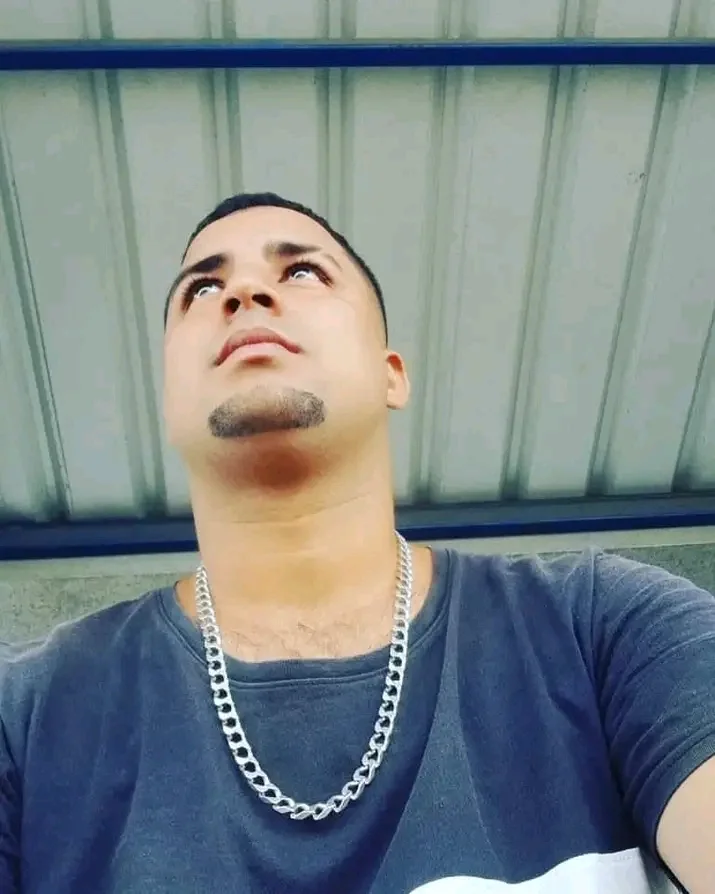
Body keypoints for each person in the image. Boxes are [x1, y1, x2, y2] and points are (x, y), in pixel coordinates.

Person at [1, 192, 714, 894]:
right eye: (203, 288)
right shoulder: (26, 715)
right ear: (169, 402)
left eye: (300, 271)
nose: (243, 292)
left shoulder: (604, 628)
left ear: (390, 374)